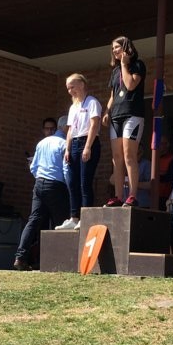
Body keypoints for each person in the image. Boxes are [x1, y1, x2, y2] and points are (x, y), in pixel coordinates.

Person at [14, 115, 70, 269]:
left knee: (33, 221)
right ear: (65, 128)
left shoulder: (41, 143)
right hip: (56, 185)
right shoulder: (64, 143)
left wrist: (40, 178)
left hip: (39, 183)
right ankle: (60, 260)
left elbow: (33, 167)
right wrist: (69, 186)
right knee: (62, 223)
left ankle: (20, 257)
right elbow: (66, 168)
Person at [103, 36, 146, 207]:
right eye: (113, 48)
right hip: (116, 117)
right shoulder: (114, 72)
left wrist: (124, 64)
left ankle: (132, 196)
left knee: (129, 155)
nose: (114, 50)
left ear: (126, 47)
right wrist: (107, 111)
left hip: (132, 114)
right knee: (117, 158)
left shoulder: (138, 65)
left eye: (117, 47)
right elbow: (113, 95)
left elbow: (130, 85)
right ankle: (118, 196)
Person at [55, 74, 102, 230]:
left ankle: (85, 217)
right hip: (74, 143)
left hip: (88, 141)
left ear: (81, 84)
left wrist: (88, 146)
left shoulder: (92, 102)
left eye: (72, 87)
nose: (70, 91)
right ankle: (74, 217)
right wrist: (68, 149)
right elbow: (70, 130)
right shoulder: (73, 107)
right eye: (68, 88)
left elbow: (94, 125)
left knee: (85, 182)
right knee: (72, 182)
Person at [123, 144, 152, 208]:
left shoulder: (146, 164)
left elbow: (151, 184)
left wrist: (132, 184)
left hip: (141, 203)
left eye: (139, 152)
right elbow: (112, 180)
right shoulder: (125, 164)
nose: (137, 155)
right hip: (124, 203)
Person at [157, 134, 173, 211]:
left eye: (161, 143)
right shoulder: (154, 158)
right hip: (154, 194)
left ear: (167, 145)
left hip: (165, 195)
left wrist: (156, 176)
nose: (158, 145)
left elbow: (170, 177)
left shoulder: (172, 158)